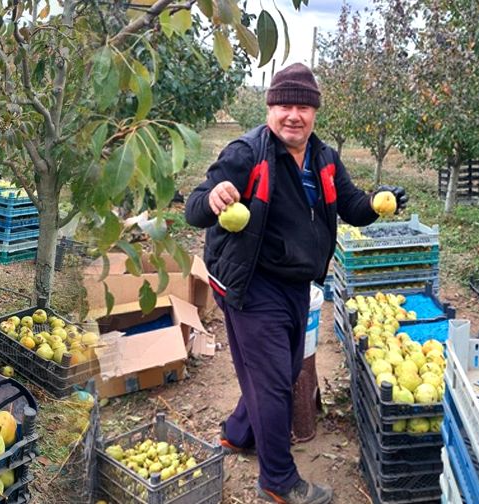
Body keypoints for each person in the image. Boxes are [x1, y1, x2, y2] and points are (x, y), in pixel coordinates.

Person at [185, 63, 407, 504]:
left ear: (315, 113)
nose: (294, 114)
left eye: (303, 106)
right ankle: (278, 479)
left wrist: (381, 203)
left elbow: (352, 207)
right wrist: (213, 199)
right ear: (270, 107)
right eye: (285, 104)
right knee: (271, 380)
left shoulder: (324, 158)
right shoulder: (246, 153)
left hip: (296, 282)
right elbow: (194, 208)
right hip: (250, 282)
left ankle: (238, 433)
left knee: (282, 372)